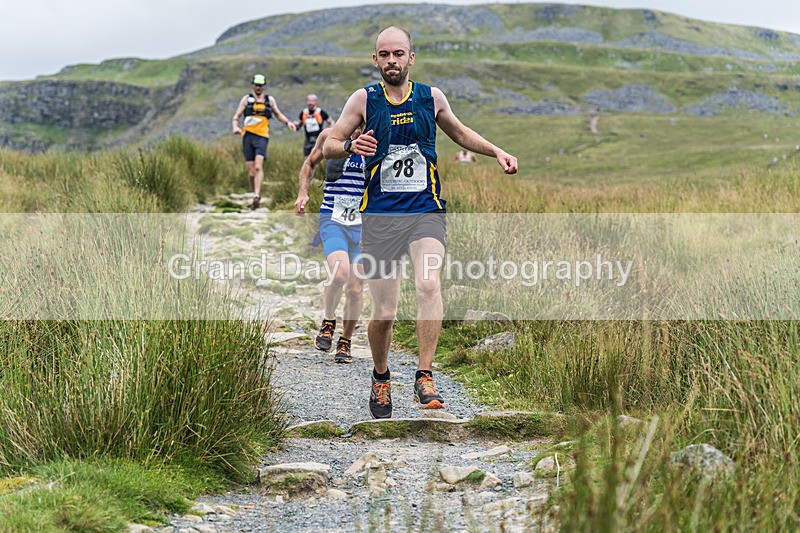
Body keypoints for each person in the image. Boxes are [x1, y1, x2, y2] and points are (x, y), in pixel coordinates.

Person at [323, 26, 518, 419]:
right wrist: (348, 146)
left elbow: (460, 133)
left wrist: (497, 151)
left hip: (425, 210)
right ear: (375, 59)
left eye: (398, 53)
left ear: (411, 57)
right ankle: (381, 376)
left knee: (428, 284)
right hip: (379, 217)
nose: (391, 60)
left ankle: (424, 375)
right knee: (385, 313)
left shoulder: (432, 97)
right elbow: (329, 143)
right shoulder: (364, 99)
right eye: (384, 54)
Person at [294, 127, 365, 364]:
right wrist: (303, 193)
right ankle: (328, 321)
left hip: (365, 223)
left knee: (355, 288)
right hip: (333, 218)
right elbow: (309, 163)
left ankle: (345, 341)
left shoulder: (380, 141)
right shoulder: (330, 136)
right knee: (339, 273)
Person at [232, 74, 297, 210]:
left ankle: (256, 195)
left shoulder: (269, 100)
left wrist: (288, 123)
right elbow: (236, 116)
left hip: (262, 136)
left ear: (264, 86)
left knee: (258, 167)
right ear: (252, 85)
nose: (258, 87)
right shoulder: (246, 99)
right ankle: (255, 192)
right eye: (256, 85)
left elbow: (278, 114)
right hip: (247, 136)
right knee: (251, 173)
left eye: (260, 85)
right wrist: (235, 127)